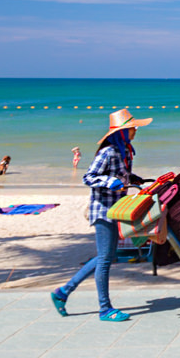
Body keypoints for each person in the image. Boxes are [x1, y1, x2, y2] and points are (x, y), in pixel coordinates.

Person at [52, 108, 152, 323]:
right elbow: (88, 177)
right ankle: (104, 309)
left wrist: (133, 178)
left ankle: (63, 292)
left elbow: (120, 174)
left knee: (106, 256)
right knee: (106, 259)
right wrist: (109, 182)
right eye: (132, 128)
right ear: (121, 132)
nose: (135, 130)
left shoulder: (124, 150)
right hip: (103, 210)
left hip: (116, 209)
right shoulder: (108, 152)